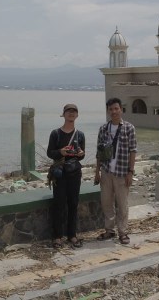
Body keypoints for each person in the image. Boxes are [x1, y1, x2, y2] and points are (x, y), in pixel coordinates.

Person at [94, 98, 137, 245]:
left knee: (122, 203)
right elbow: (99, 152)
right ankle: (109, 230)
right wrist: (97, 171)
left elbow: (133, 151)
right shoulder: (103, 129)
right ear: (108, 111)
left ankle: (123, 232)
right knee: (106, 202)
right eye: (111, 109)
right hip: (106, 171)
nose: (113, 111)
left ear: (121, 109)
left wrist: (130, 172)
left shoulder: (129, 128)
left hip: (122, 172)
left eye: (116, 108)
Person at [47, 104, 86, 249]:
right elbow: (50, 153)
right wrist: (61, 152)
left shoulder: (80, 134)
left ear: (77, 115)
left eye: (74, 111)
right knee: (59, 204)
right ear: (63, 114)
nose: (71, 114)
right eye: (68, 111)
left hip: (74, 173)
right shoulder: (55, 133)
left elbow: (81, 156)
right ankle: (57, 237)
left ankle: (72, 235)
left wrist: (80, 154)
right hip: (60, 173)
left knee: (73, 204)